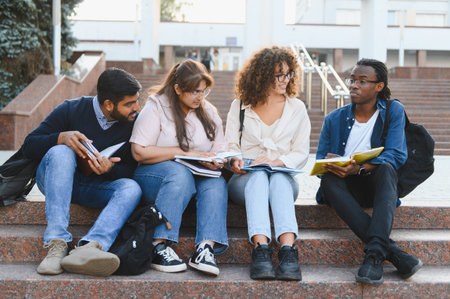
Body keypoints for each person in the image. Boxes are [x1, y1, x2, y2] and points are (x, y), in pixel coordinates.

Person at [22, 68, 143, 276]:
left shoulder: (133, 122)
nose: (136, 108)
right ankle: (57, 243)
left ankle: (90, 247)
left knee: (132, 188)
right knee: (61, 152)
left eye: (137, 101)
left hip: (93, 186)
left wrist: (111, 169)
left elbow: (132, 169)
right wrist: (61, 137)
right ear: (108, 104)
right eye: (129, 104)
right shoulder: (71, 109)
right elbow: (29, 145)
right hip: (54, 179)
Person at [315, 58, 422, 285]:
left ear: (379, 86)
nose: (354, 85)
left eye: (362, 81)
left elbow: (396, 154)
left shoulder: (393, 110)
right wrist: (333, 163)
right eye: (352, 80)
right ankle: (393, 254)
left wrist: (361, 167)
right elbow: (319, 160)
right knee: (327, 180)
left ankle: (374, 256)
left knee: (386, 169)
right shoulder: (334, 118)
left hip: (376, 185)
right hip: (344, 187)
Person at [130, 59, 228, 276]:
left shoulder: (207, 110)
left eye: (203, 91)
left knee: (216, 181)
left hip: (197, 175)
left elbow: (221, 147)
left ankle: (205, 248)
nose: (200, 97)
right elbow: (139, 151)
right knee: (179, 173)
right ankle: (159, 245)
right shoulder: (156, 106)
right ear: (177, 88)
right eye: (194, 91)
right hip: (155, 176)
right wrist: (183, 152)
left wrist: (216, 159)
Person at [225, 46, 311, 281]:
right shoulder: (240, 105)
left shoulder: (297, 108)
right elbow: (231, 144)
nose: (285, 80)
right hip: (246, 174)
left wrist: (276, 162)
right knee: (259, 177)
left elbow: (301, 151)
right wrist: (236, 159)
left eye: (288, 74)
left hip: (283, 173)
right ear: (261, 76)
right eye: (278, 75)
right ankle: (261, 250)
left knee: (279, 179)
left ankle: (288, 250)